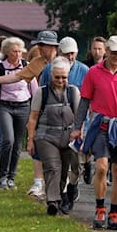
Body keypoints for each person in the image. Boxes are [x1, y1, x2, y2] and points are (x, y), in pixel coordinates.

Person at [77, 34, 117, 231]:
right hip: (101, 125)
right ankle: (100, 208)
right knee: (101, 167)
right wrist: (78, 127)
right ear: (107, 52)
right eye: (115, 53)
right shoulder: (94, 72)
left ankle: (114, 213)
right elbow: (84, 101)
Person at [25, 57, 80, 215]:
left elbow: (79, 116)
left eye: (64, 77)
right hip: (46, 135)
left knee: (64, 171)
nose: (60, 80)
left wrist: (79, 134)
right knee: (52, 167)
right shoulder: (41, 92)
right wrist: (30, 140)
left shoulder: (73, 92)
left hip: (68, 136)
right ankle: (52, 201)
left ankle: (60, 197)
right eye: (57, 77)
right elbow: (33, 117)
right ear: (51, 75)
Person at [0, 37, 39, 190]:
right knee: (9, 140)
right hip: (4, 106)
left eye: (20, 51)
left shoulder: (27, 66)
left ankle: (11, 177)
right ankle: (2, 176)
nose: (18, 54)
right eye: (14, 51)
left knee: (18, 144)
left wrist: (36, 112)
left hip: (23, 106)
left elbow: (34, 91)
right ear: (7, 52)